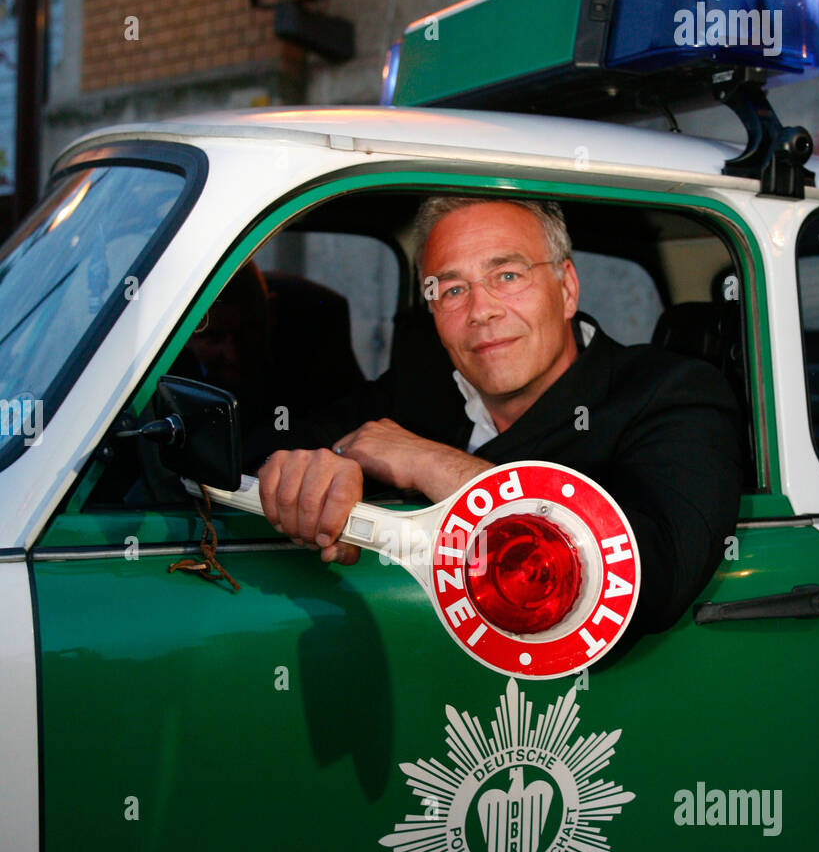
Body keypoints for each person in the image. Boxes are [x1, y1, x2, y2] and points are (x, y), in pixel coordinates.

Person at [253, 197, 743, 638]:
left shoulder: (671, 394)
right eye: (451, 290)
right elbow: (269, 450)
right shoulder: (419, 387)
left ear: (567, 289)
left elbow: (648, 583)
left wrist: (435, 465)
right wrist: (320, 471)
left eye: (507, 276)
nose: (481, 311)